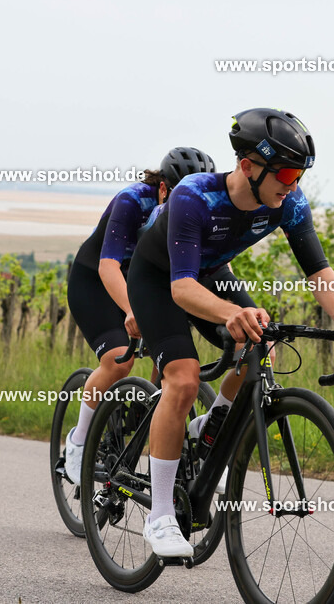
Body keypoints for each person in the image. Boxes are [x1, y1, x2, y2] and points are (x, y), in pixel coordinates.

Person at [126, 108, 334, 557]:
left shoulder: (289, 203)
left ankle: (211, 425)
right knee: (182, 380)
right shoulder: (194, 195)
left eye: (300, 175)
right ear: (247, 166)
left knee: (262, 344)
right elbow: (181, 288)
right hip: (159, 279)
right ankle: (160, 516)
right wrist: (230, 313)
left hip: (210, 273)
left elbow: (318, 270)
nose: (293, 184)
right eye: (287, 173)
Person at [64, 147, 216, 486]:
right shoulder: (132, 200)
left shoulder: (200, 211)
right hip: (97, 282)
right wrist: (133, 310)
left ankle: (151, 423)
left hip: (149, 281)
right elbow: (108, 266)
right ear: (162, 189)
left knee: (171, 361)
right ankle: (79, 441)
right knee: (119, 361)